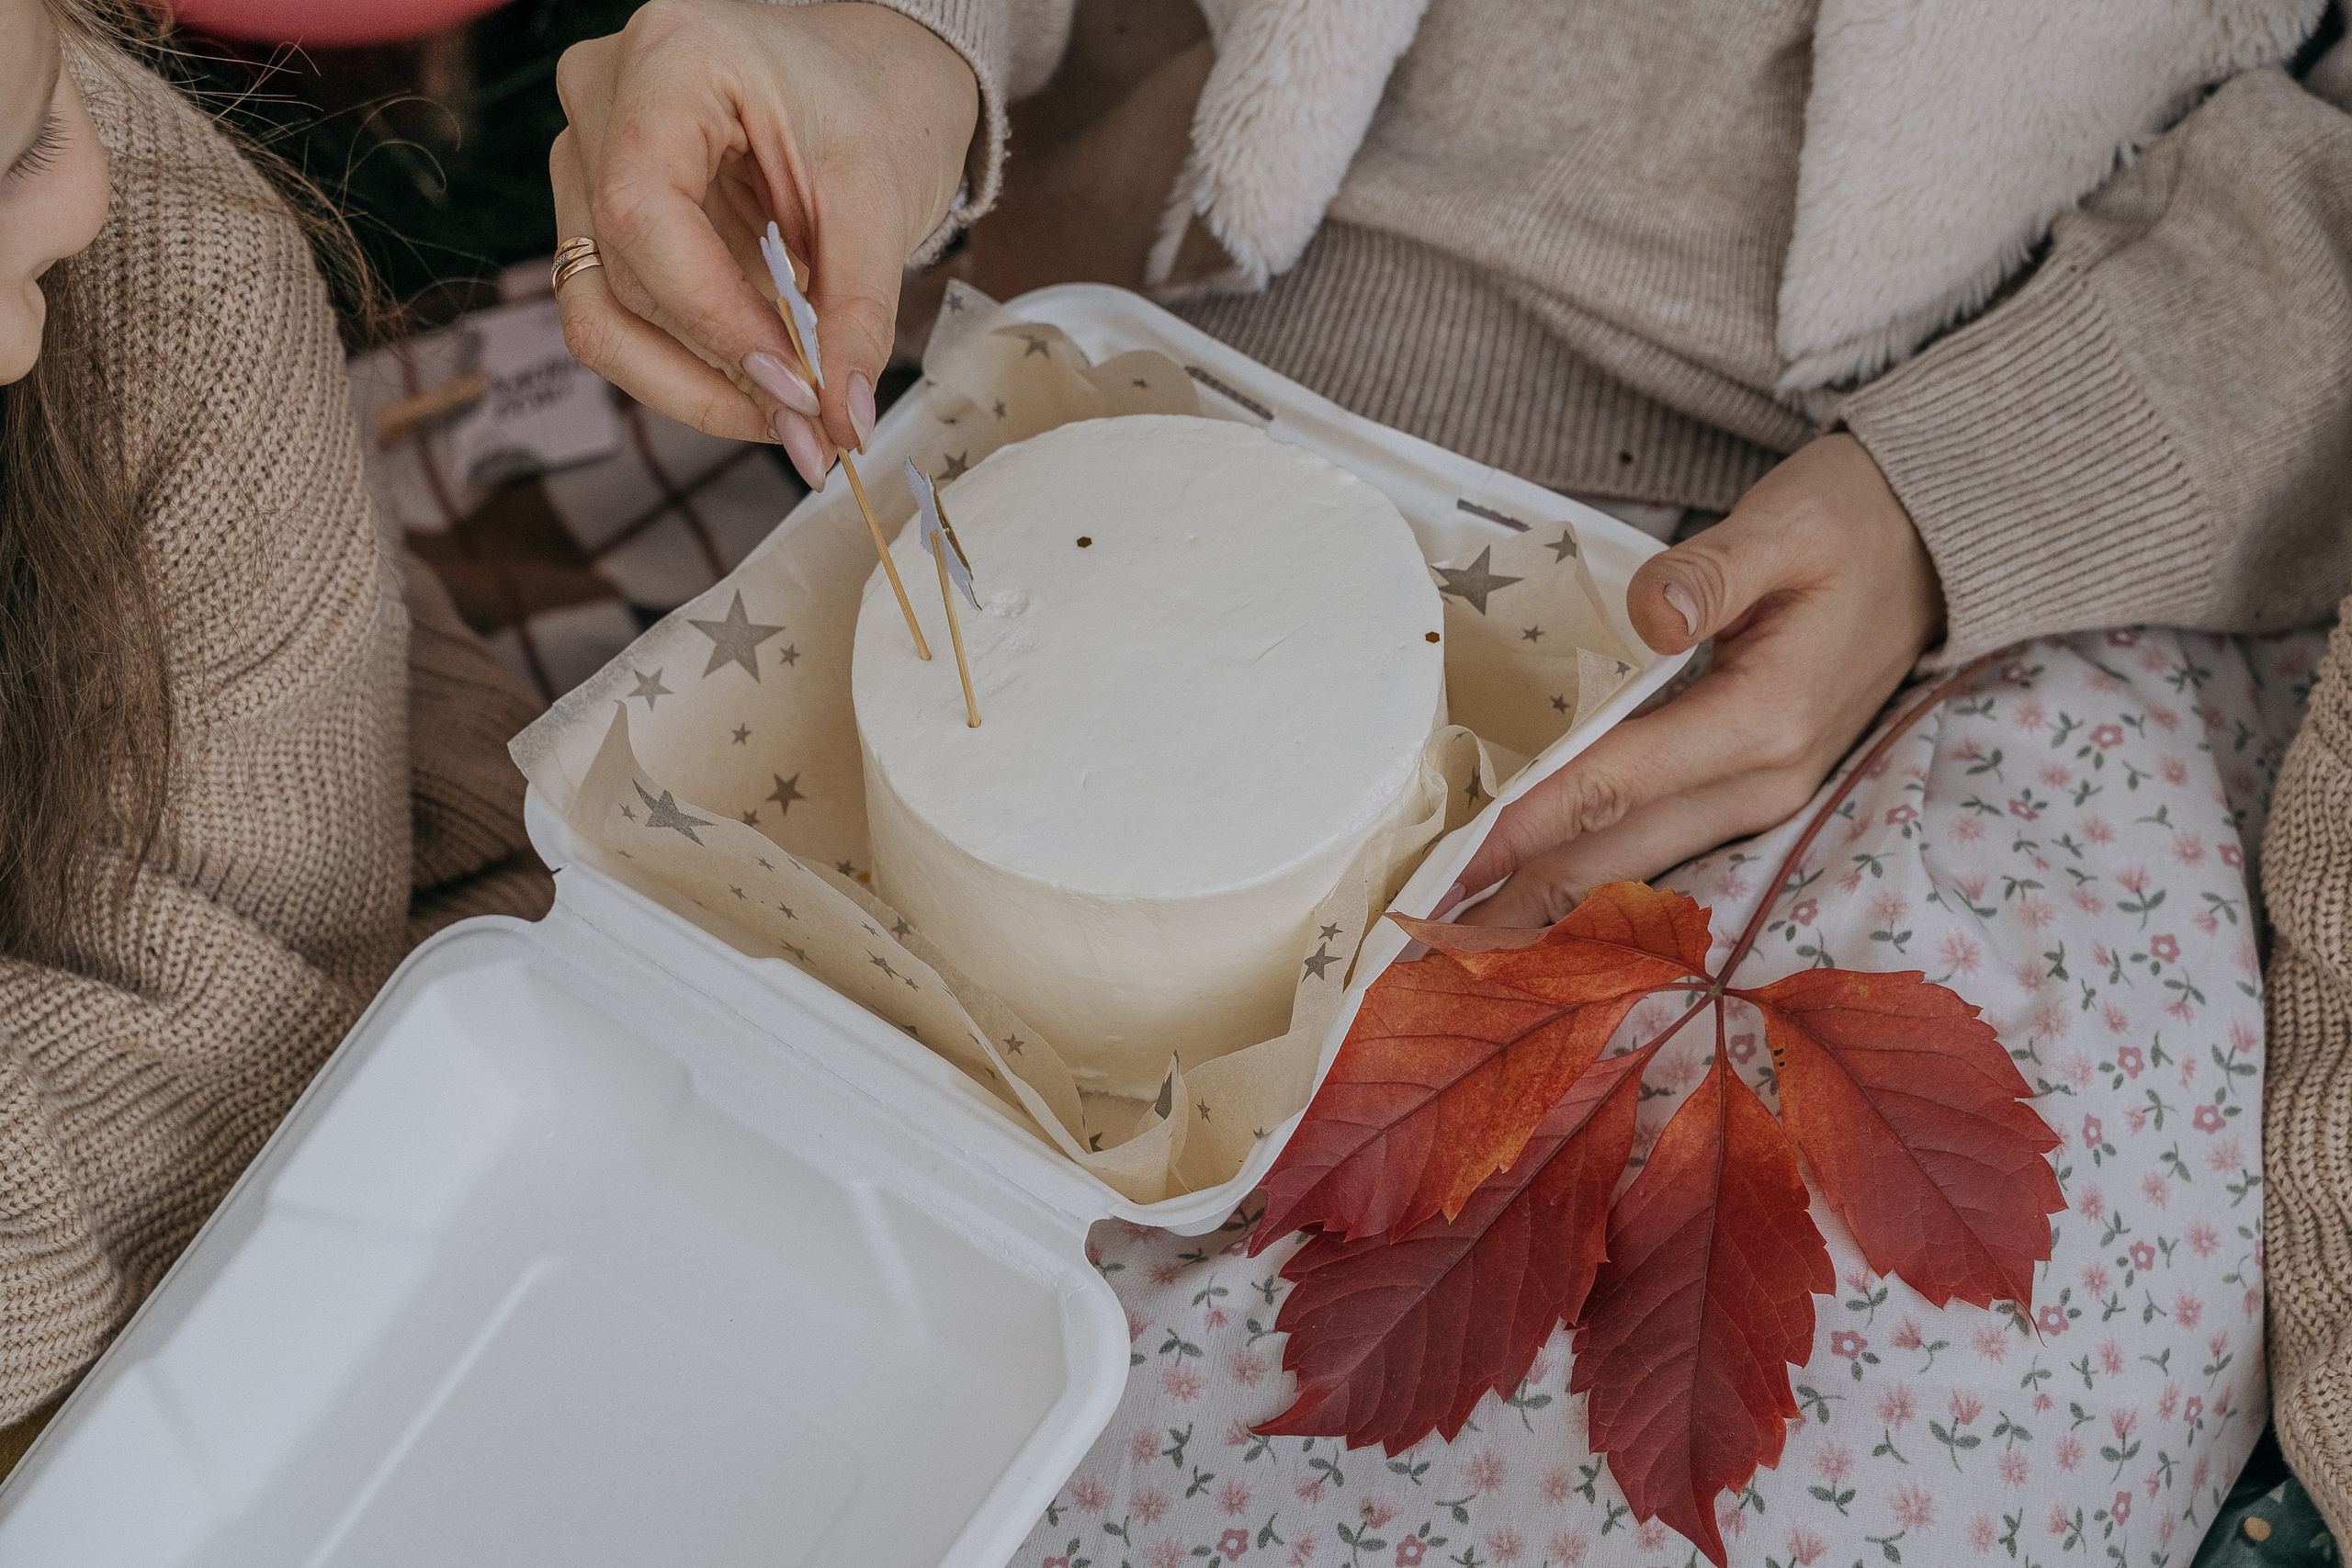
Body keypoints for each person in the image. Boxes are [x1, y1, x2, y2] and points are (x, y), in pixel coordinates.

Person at [547, 2, 2352, 1561]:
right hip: (1131, 409)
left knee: (1819, 1410)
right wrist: (883, 39)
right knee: (663, 1325)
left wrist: (1952, 506)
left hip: (1966, 532)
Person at [0, 0, 548, 1446]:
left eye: (20, 155)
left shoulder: (179, 291)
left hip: (335, 1068)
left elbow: (234, 1048)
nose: (9, 336)